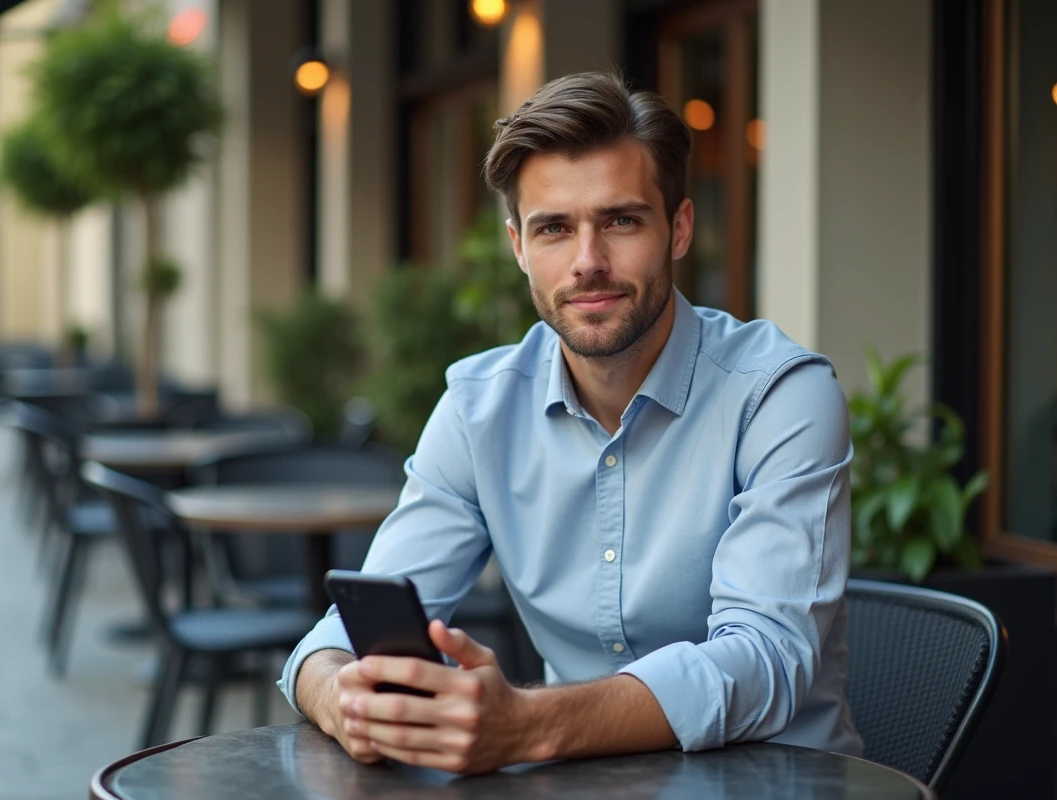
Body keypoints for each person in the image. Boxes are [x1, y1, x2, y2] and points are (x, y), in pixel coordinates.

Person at [280, 72, 862, 773]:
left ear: (678, 228)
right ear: (519, 247)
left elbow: (767, 657)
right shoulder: (477, 409)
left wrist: (528, 726)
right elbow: (340, 634)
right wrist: (345, 699)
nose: (588, 263)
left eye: (621, 220)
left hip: (772, 785)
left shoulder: (780, 395)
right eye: (554, 228)